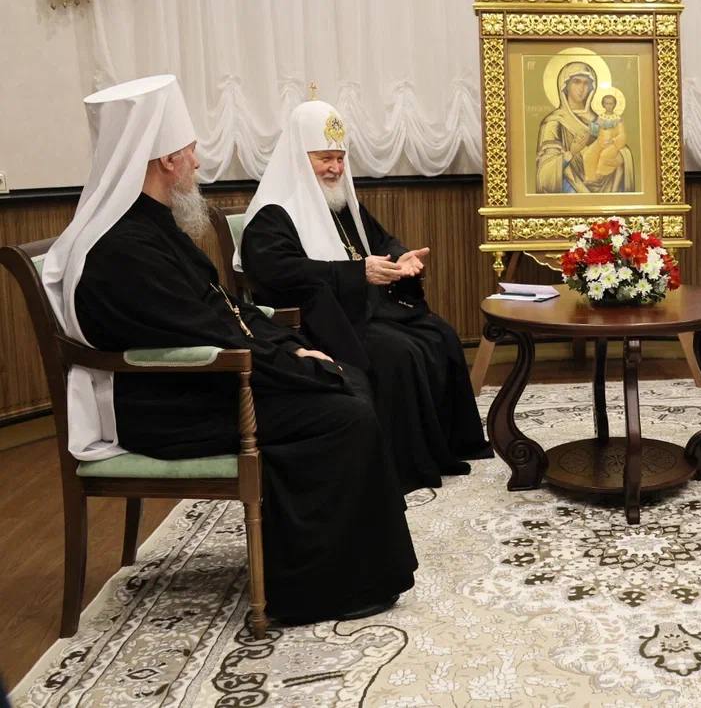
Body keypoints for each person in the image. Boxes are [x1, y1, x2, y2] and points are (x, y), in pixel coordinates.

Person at [43, 75, 416, 624]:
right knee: (339, 411)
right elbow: (200, 335)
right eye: (191, 151)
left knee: (343, 380)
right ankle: (325, 588)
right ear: (166, 160)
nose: (198, 162)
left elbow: (221, 311)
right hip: (162, 406)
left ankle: (344, 567)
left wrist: (292, 347)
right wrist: (291, 363)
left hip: (195, 384)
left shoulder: (148, 227)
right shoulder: (123, 248)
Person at [238, 101, 491, 493]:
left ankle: (450, 446)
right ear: (299, 159)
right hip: (317, 324)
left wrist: (402, 259)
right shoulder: (272, 214)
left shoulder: (342, 205)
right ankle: (403, 465)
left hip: (362, 310)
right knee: (399, 353)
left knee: (439, 334)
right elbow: (277, 272)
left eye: (340, 158)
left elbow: (381, 242)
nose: (336, 169)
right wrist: (357, 273)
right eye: (325, 159)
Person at [534, 61, 635, 193]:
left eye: (586, 83)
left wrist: (618, 150)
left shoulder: (599, 120)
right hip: (571, 190)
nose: (581, 88)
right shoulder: (554, 123)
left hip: (609, 191)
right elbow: (545, 174)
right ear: (565, 86)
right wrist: (571, 153)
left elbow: (616, 144)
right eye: (576, 82)